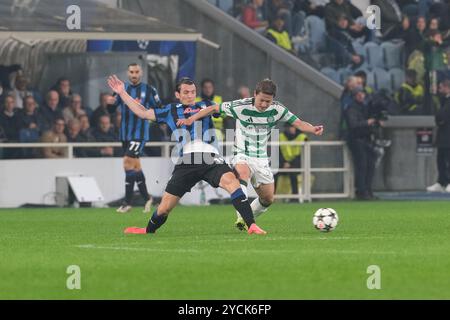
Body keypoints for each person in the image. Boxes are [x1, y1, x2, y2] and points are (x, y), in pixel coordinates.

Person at [107, 75, 267, 235]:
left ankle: (251, 225)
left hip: (209, 156)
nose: (190, 95)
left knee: (233, 184)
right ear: (178, 95)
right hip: (187, 160)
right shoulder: (170, 110)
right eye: (186, 92)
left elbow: (231, 109)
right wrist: (122, 93)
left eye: (192, 92)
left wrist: (254, 101)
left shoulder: (207, 105)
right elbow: (143, 112)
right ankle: (148, 230)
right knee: (164, 208)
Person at [178, 79, 324, 230]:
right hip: (241, 153)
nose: (264, 104)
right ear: (255, 94)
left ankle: (247, 217)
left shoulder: (278, 109)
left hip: (261, 158)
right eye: (261, 100)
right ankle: (242, 216)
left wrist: (313, 129)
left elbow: (298, 123)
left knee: (267, 198)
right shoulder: (240, 106)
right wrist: (191, 119)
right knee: (242, 172)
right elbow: (213, 108)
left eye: (268, 101)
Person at [107, 63, 162, 213]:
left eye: (137, 72)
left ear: (141, 73)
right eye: (131, 72)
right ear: (128, 73)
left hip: (140, 135)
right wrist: (109, 104)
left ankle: (127, 202)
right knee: (135, 166)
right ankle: (147, 198)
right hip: (125, 134)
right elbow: (111, 109)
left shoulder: (149, 90)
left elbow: (159, 108)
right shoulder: (121, 88)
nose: (134, 74)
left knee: (127, 162)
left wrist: (146, 111)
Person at [343, 87, 379, 200]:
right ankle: (361, 191)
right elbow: (353, 124)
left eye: (362, 94)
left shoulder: (364, 106)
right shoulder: (351, 108)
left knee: (370, 163)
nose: (362, 96)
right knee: (362, 165)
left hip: (365, 138)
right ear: (354, 96)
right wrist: (367, 122)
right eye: (359, 94)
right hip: (356, 138)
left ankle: (368, 189)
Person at [427, 79, 450, 193]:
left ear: (447, 88)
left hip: (448, 135)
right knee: (440, 159)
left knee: (448, 160)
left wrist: (440, 119)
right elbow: (439, 117)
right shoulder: (443, 100)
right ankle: (441, 182)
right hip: (443, 136)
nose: (439, 90)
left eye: (441, 88)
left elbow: (443, 116)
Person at [275, 123, 308, 198]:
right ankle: (271, 197)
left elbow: (302, 155)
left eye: (293, 127)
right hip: (283, 163)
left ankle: (295, 197)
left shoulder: (302, 137)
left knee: (293, 174)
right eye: (290, 127)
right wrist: (284, 163)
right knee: (274, 173)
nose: (292, 129)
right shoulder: (281, 137)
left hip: (297, 163)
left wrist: (290, 163)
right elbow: (278, 153)